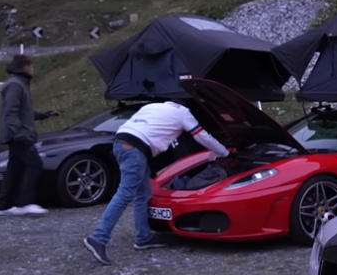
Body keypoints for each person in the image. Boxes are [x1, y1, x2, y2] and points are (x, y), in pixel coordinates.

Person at [82, 100, 229, 266]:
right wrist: (224, 153)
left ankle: (143, 238)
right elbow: (202, 136)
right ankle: (98, 238)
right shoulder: (184, 113)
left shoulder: (153, 106)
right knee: (125, 194)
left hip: (121, 144)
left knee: (143, 194)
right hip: (135, 149)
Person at [0, 54, 58, 216]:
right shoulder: (15, 85)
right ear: (25, 67)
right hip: (19, 136)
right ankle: (25, 202)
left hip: (18, 134)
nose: (33, 69)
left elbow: (24, 112)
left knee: (14, 168)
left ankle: (4, 205)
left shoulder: (21, 84)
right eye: (31, 66)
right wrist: (20, 133)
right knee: (35, 164)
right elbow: (10, 113)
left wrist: (43, 114)